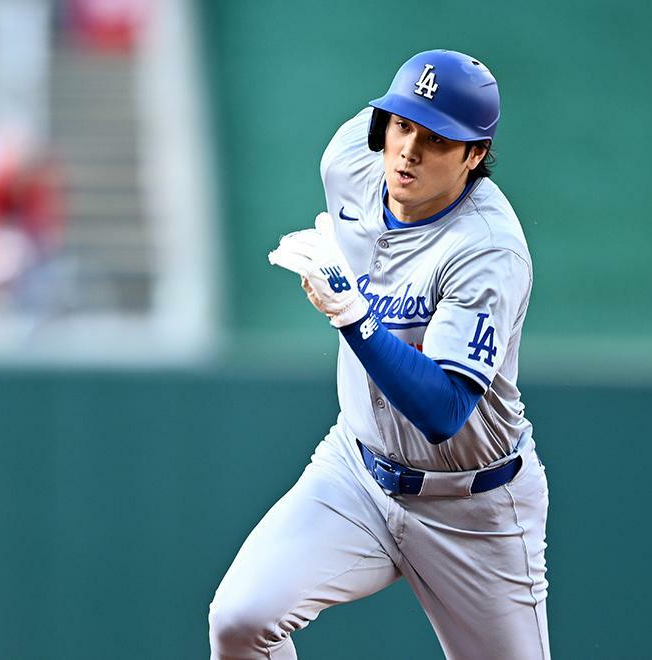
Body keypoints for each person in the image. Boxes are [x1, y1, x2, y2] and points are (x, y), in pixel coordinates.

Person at [209, 49, 549, 659]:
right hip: (359, 473)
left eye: (437, 138)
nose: (408, 150)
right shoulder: (349, 162)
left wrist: (353, 315)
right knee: (240, 619)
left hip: (472, 508)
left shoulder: (488, 249)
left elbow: (445, 411)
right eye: (401, 125)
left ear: (474, 155)